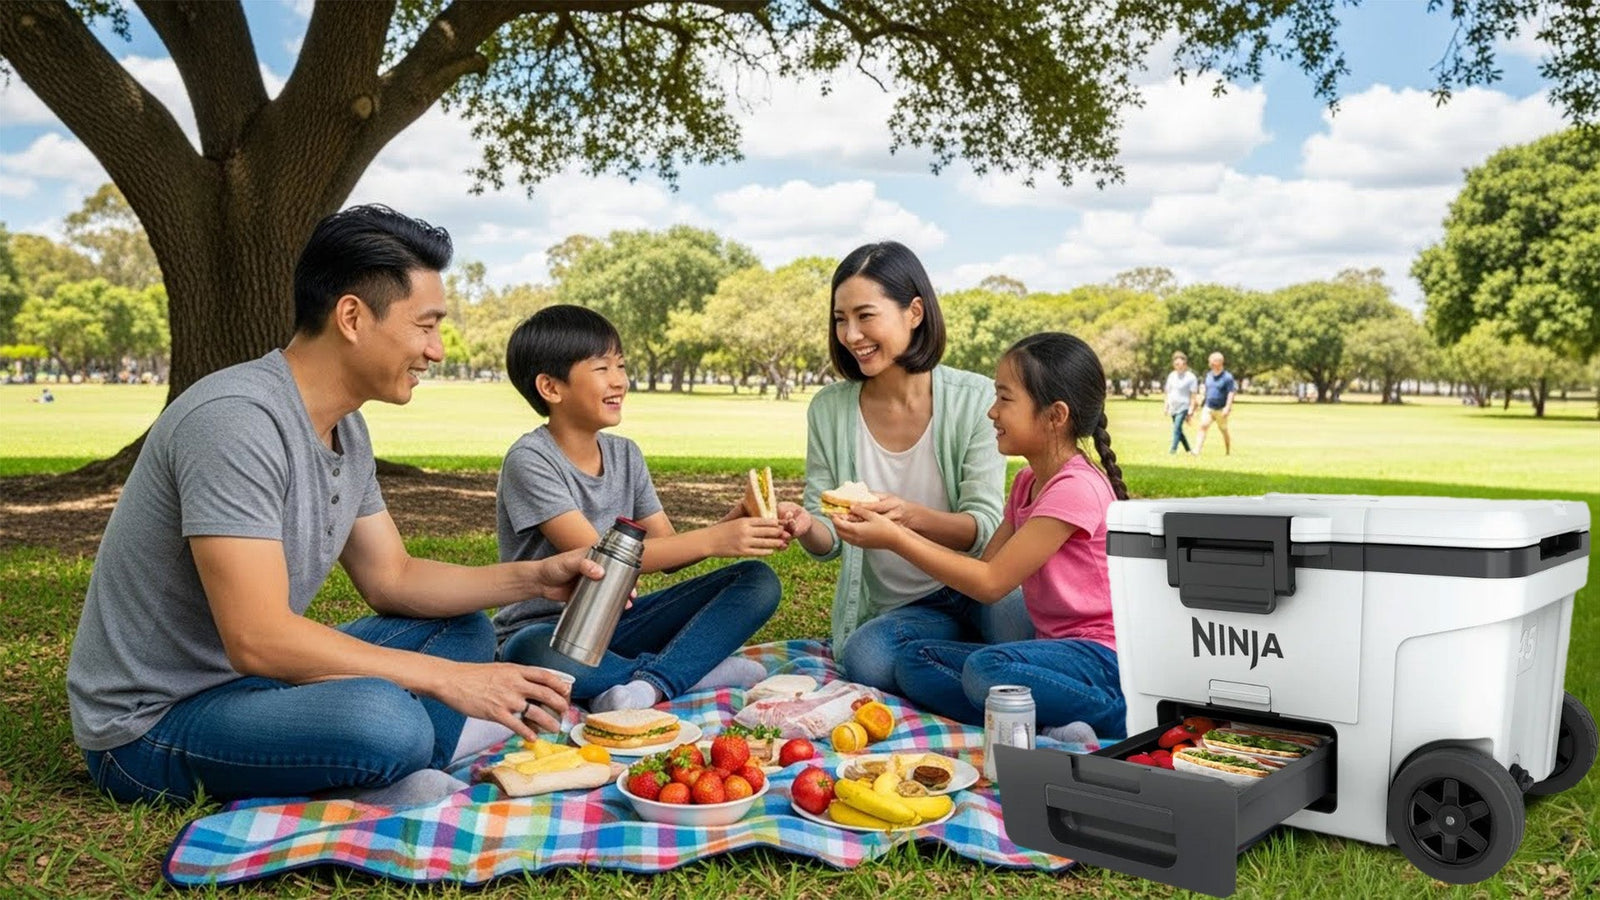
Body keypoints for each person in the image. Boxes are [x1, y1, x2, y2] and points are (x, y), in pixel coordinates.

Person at [66, 205, 602, 807]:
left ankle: (385, 767)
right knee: (385, 722)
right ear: (352, 316)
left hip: (254, 688)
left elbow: (392, 578)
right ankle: (390, 758)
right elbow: (258, 637)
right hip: (151, 725)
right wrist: (451, 682)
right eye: (426, 326)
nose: (438, 349)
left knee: (461, 628)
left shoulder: (346, 429)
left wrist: (536, 575)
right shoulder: (236, 420)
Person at [831, 332, 1128, 740]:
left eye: (1005, 399)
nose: (992, 412)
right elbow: (981, 568)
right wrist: (901, 520)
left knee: (986, 669)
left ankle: (1119, 713)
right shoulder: (1028, 481)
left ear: (1055, 415)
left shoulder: (1075, 488)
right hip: (1048, 652)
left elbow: (991, 586)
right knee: (915, 661)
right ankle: (1038, 721)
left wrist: (895, 539)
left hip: (1101, 659)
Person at [494, 305, 783, 712]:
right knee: (532, 655)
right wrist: (716, 539)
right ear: (551, 388)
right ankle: (687, 671)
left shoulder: (625, 454)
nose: (620, 381)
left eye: (621, 365)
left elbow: (667, 550)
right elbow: (600, 564)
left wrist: (729, 526)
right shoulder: (530, 460)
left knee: (758, 581)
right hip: (548, 632)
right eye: (602, 368)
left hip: (619, 625)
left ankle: (651, 681)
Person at [787, 241, 1031, 695]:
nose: (851, 334)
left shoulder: (974, 399)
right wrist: (804, 525)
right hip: (909, 611)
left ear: (914, 312)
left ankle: (981, 670)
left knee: (1014, 610)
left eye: (865, 315)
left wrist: (904, 519)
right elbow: (827, 539)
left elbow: (983, 526)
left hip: (976, 588)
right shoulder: (829, 410)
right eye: (841, 319)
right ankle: (992, 671)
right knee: (866, 659)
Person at [1193, 351, 1237, 456]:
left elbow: (1231, 392)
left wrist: (1227, 407)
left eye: (1212, 361)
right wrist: (1200, 401)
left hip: (1221, 409)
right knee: (1203, 426)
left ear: (1219, 362)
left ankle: (1228, 451)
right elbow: (1205, 389)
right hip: (1208, 407)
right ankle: (1196, 451)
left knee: (1223, 430)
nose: (1210, 363)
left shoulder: (1227, 377)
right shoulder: (1208, 375)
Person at [1162, 352, 1198, 454]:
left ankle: (1173, 450)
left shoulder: (1191, 377)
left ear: (1185, 364)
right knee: (1178, 430)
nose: (1178, 366)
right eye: (1176, 364)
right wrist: (1166, 406)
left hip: (1184, 406)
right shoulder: (1171, 376)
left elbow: (1193, 395)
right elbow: (1168, 392)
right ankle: (1188, 449)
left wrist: (1191, 408)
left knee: (1177, 427)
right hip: (1173, 407)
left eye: (1180, 364)